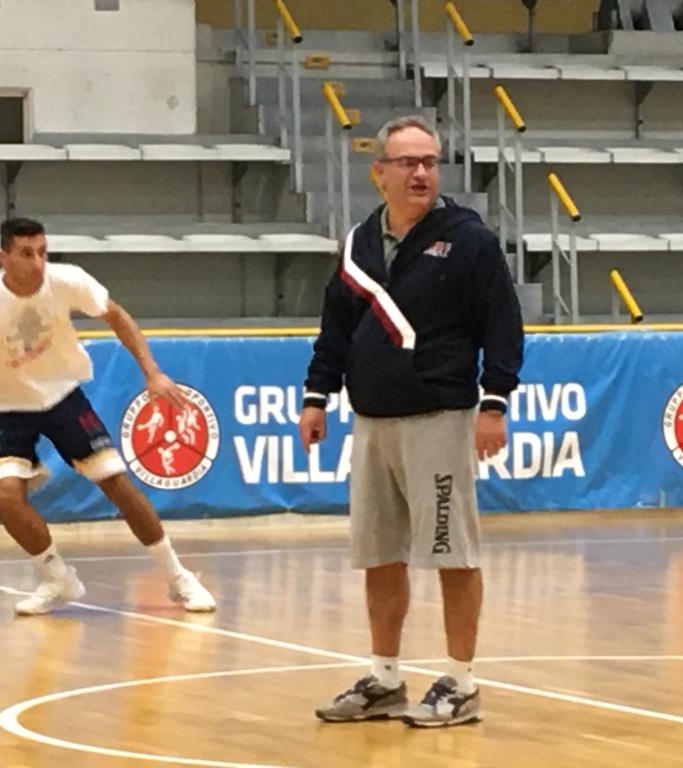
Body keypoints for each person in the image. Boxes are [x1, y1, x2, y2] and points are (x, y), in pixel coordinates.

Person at [300, 116, 523, 727]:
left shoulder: (469, 240)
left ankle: (461, 682)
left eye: (429, 162)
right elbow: (335, 330)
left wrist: (495, 403)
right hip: (372, 421)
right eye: (407, 163)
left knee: (452, 554)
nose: (421, 173)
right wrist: (317, 397)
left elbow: (503, 325)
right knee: (379, 554)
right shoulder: (358, 246)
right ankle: (385, 678)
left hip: (440, 420)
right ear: (380, 173)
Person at [0, 217, 216, 616]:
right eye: (26, 254)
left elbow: (116, 315)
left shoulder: (68, 281)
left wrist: (152, 372)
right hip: (7, 409)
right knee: (5, 496)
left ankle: (178, 577)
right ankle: (56, 577)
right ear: (4, 257)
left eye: (42, 252)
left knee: (116, 482)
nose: (37, 262)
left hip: (63, 397)